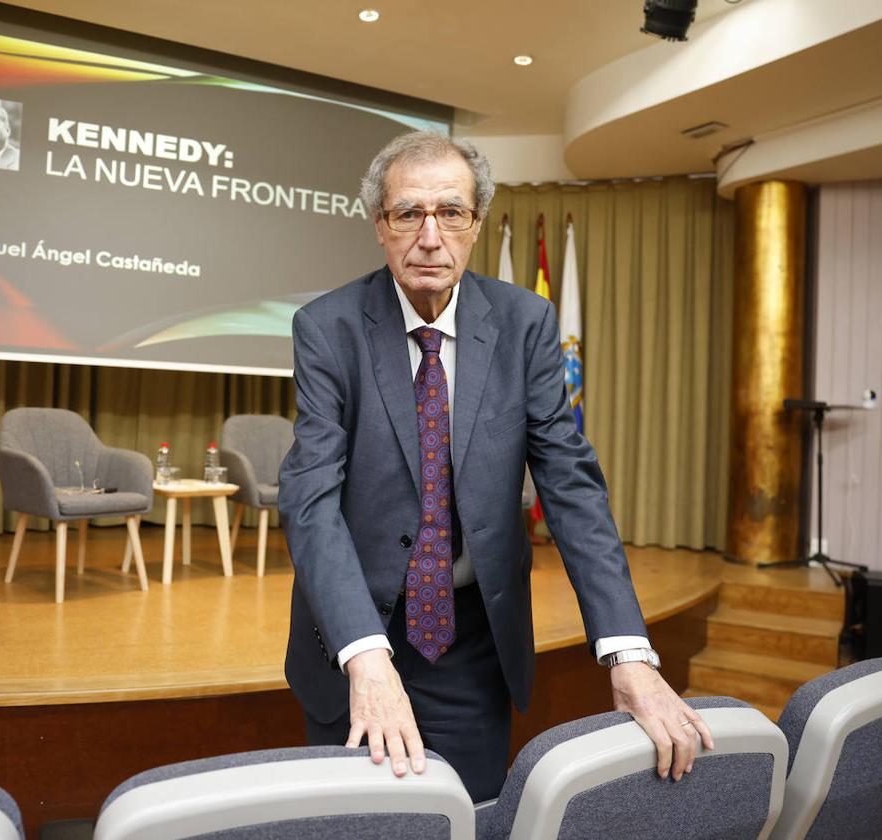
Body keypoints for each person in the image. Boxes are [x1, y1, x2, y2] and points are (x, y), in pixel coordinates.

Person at [278, 131, 713, 803]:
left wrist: (629, 655)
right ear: (379, 226)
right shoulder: (327, 328)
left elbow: (570, 484)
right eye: (408, 214)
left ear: (477, 223)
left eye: (451, 212)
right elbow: (310, 498)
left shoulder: (525, 323)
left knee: (473, 815)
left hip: (470, 643)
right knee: (355, 822)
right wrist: (364, 655)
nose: (430, 235)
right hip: (353, 639)